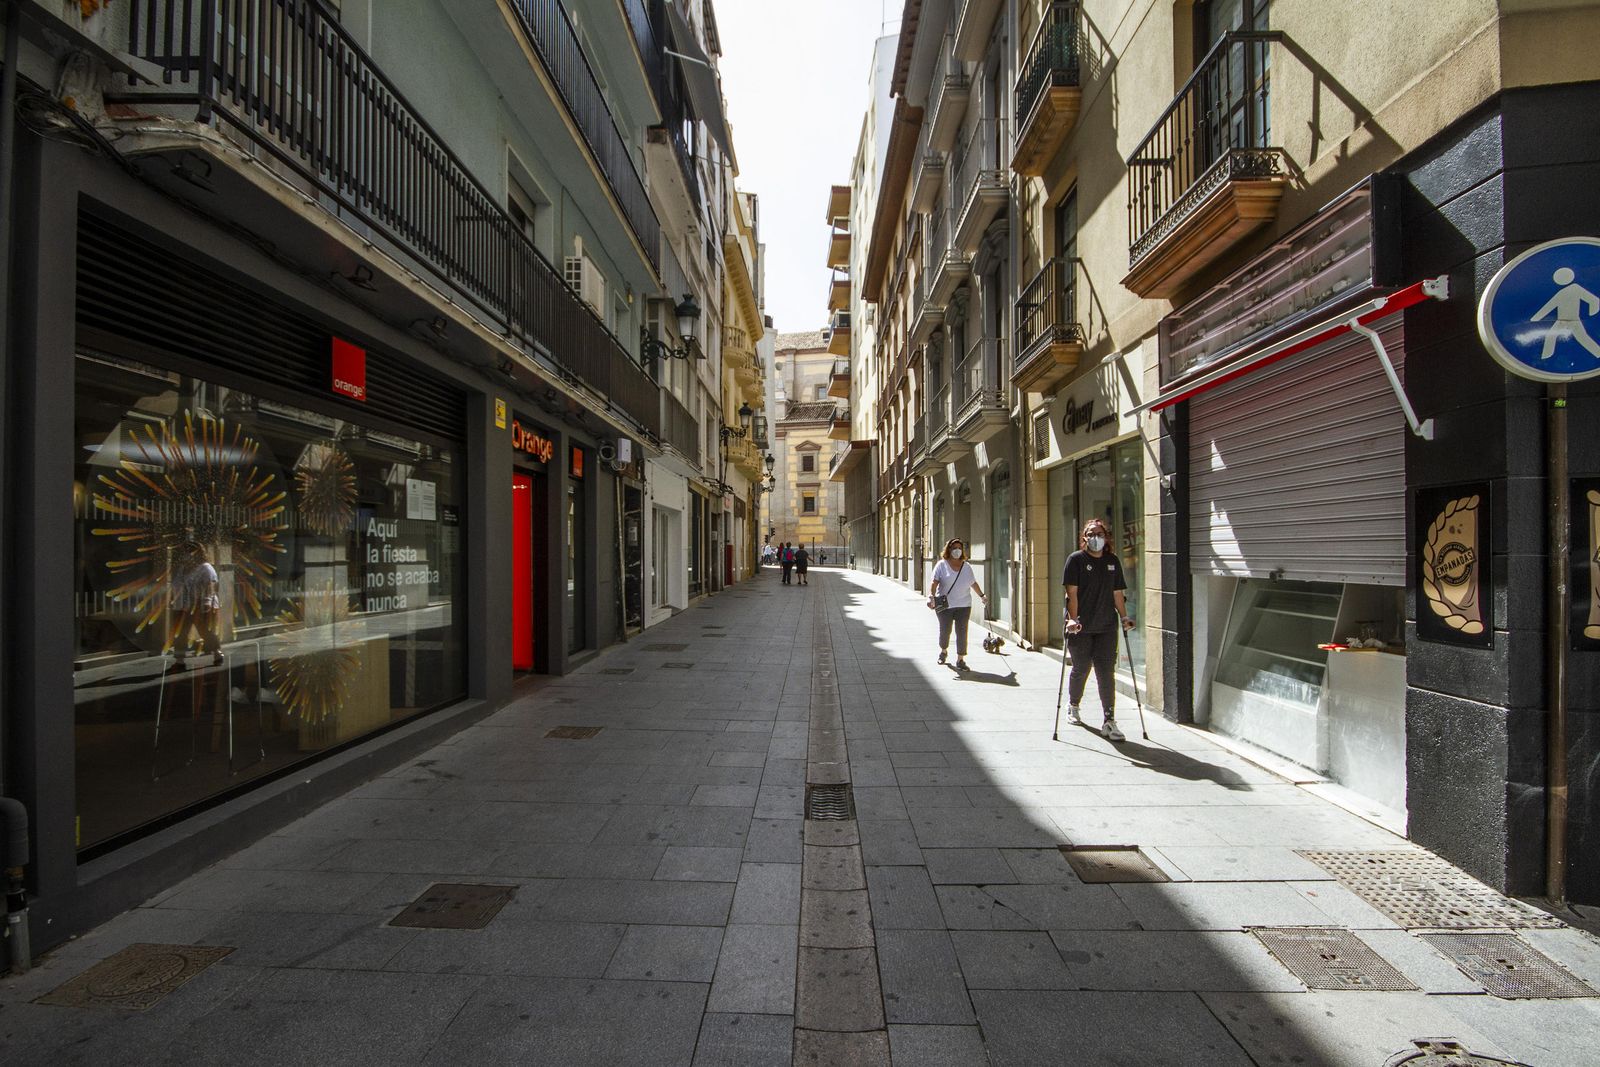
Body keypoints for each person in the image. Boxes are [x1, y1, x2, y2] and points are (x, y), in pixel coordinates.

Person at [1062, 518, 1136, 741]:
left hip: (1106, 626)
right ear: (1085, 538)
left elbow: (1117, 593)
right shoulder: (1075, 560)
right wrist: (1072, 620)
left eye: (1100, 533)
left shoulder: (1112, 561)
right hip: (1081, 626)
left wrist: (1124, 617)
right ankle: (1073, 705)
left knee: (1106, 673)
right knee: (1081, 668)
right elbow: (1071, 594)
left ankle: (1109, 720)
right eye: (1092, 533)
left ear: (1106, 537)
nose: (1096, 537)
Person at [928, 537, 984, 670]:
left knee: (962, 631)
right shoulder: (942, 565)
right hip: (945, 605)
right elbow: (934, 582)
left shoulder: (966, 566)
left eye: (959, 548)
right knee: (945, 630)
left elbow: (973, 583)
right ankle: (943, 651)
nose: (957, 551)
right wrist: (931, 595)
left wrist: (982, 595)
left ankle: (960, 659)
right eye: (954, 548)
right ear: (949, 550)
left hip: (964, 605)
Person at [169, 541, 223, 670]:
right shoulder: (183, 568)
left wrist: (207, 603)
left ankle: (217, 654)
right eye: (184, 552)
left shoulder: (205, 567)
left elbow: (210, 586)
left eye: (188, 552)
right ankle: (180, 661)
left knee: (205, 631)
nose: (185, 555)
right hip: (185, 605)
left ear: (196, 553)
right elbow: (177, 585)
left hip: (201, 603)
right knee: (181, 632)